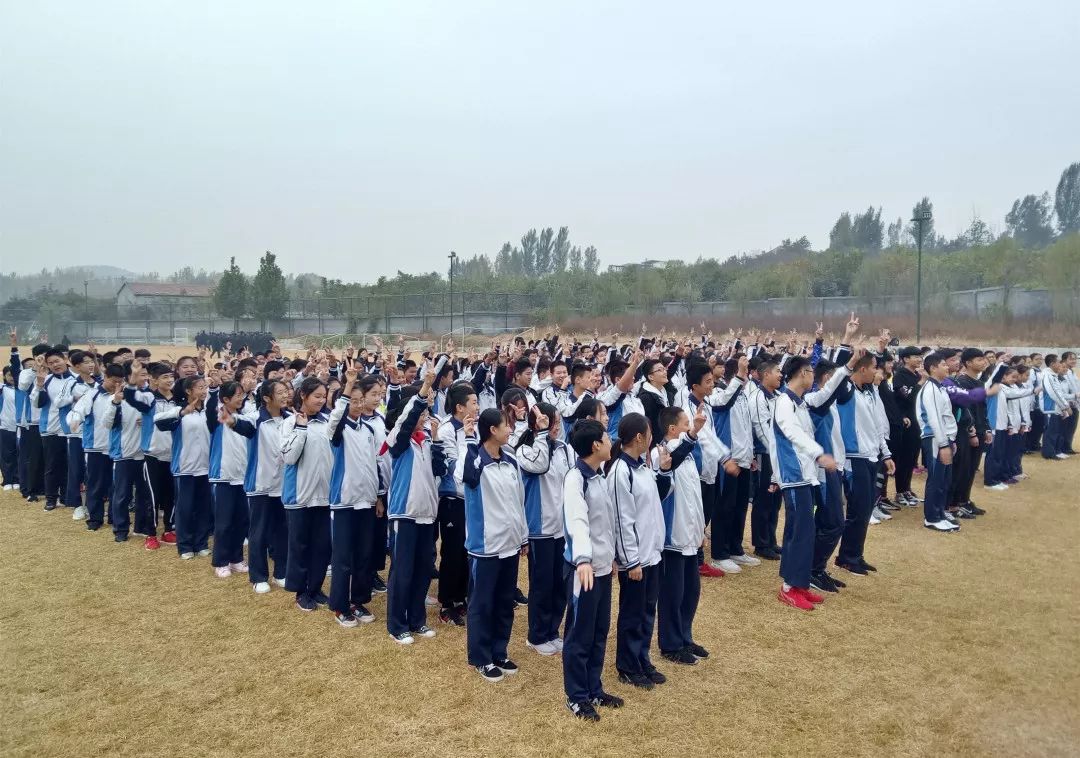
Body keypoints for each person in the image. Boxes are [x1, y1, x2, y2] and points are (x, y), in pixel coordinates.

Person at [462, 407, 529, 682]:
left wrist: (523, 537)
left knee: (504, 602)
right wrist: (467, 439)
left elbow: (519, 501)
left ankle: (499, 651)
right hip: (486, 546)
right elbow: (466, 475)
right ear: (492, 430)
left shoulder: (511, 461)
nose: (510, 430)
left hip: (511, 544)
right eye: (506, 426)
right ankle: (481, 657)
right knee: (482, 603)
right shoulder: (475, 459)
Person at [562, 419, 621, 722]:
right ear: (595, 445)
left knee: (599, 630)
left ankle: (594, 687)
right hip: (581, 569)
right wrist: (584, 559)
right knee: (579, 634)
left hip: (599, 567)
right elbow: (578, 521)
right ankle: (576, 695)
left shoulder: (598, 476)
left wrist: (608, 557)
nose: (612, 441)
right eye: (607, 438)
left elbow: (604, 523)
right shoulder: (577, 478)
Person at [606, 412, 671, 690]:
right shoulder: (620, 471)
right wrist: (630, 561)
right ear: (638, 438)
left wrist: (665, 471)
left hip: (651, 553)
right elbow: (622, 519)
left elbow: (657, 498)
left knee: (647, 610)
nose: (652, 438)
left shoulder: (642, 468)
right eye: (649, 433)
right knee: (632, 613)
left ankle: (642, 658)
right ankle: (628, 665)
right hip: (636, 559)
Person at [384, 365, 445, 645]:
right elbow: (406, 421)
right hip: (404, 514)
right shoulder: (398, 440)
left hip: (426, 515)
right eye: (422, 411)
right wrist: (423, 390)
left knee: (422, 569)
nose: (425, 415)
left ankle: (417, 619)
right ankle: (397, 624)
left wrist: (437, 440)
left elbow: (440, 471)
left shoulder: (426, 441)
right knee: (403, 570)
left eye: (426, 411)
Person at [770, 356, 834, 610]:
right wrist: (818, 453)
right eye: (811, 373)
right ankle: (789, 587)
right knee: (799, 531)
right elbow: (792, 433)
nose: (813, 378)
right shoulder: (784, 402)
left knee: (803, 531)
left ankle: (798, 583)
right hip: (793, 476)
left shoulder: (800, 403)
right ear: (803, 373)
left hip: (805, 476)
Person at [653, 404, 710, 666]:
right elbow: (674, 456)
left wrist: (700, 530)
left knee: (691, 590)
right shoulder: (662, 453)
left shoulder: (687, 454)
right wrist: (694, 432)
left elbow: (693, 498)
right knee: (672, 593)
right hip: (673, 537)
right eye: (686, 423)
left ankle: (685, 636)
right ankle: (671, 643)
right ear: (672, 429)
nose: (691, 426)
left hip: (689, 534)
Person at [516, 402, 574, 656]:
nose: (556, 427)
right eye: (552, 422)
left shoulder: (564, 448)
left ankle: (552, 630)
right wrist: (540, 435)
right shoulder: (524, 449)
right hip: (539, 527)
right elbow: (539, 466)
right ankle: (537, 635)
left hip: (561, 527)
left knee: (559, 584)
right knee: (541, 584)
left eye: (558, 422)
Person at [327, 371, 385, 626]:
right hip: (345, 502)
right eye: (354, 400)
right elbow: (336, 418)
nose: (359, 405)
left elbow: (375, 464)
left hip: (367, 502)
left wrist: (379, 498)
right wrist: (348, 386)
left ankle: (357, 601)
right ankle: (340, 606)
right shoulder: (338, 431)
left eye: (362, 400)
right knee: (343, 558)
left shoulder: (369, 429)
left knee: (363, 555)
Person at [280, 377, 334, 612]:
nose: (321, 401)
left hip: (324, 494)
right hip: (299, 495)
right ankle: (301, 591)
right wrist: (301, 428)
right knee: (300, 545)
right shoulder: (289, 422)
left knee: (322, 546)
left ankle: (316, 587)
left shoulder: (327, 422)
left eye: (324, 397)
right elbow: (288, 457)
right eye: (317, 397)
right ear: (303, 395)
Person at [433, 380, 478, 626]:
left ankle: (461, 599)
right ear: (460, 407)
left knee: (467, 550)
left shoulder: (476, 428)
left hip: (472, 499)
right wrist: (468, 440)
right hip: (453, 499)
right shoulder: (447, 429)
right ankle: (447, 602)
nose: (477, 407)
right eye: (473, 403)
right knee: (452, 552)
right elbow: (452, 466)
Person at [155, 376, 213, 559]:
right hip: (185, 468)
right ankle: (185, 545)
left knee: (204, 508)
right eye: (200, 388)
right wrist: (181, 412)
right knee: (185, 508)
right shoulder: (178, 411)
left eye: (205, 387)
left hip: (205, 468)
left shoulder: (207, 412)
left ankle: (201, 543)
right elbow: (158, 421)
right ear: (188, 391)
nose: (204, 391)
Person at [245, 379, 292, 594]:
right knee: (259, 532)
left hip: (284, 486)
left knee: (282, 531)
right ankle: (258, 576)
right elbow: (237, 423)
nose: (285, 395)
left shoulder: (291, 419)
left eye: (286, 391)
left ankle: (281, 572)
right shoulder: (255, 420)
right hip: (261, 485)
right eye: (280, 392)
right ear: (266, 398)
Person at [102, 360, 155, 545]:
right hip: (124, 453)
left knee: (144, 493)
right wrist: (115, 403)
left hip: (146, 454)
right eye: (141, 374)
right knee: (122, 494)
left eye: (146, 374)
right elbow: (107, 424)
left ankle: (142, 526)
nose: (145, 378)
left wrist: (148, 421)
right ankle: (121, 528)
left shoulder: (150, 395)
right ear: (129, 377)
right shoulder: (118, 397)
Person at [207, 381, 254, 577]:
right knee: (224, 523)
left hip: (242, 478)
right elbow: (210, 409)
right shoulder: (216, 418)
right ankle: (221, 561)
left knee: (242, 521)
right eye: (237, 395)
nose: (241, 399)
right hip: (223, 477)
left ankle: (236, 558)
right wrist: (212, 389)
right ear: (225, 399)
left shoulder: (243, 419)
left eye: (242, 395)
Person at [916, 354, 961, 532]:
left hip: (944, 439)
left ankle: (940, 513)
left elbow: (947, 416)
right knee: (936, 478)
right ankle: (932, 517)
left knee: (944, 479)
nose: (947, 367)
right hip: (935, 439)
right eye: (943, 364)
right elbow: (934, 419)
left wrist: (951, 440)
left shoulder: (940, 388)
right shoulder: (930, 389)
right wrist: (943, 444)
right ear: (933, 368)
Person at [30, 347, 74, 511]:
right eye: (51, 363)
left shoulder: (76, 379)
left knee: (70, 465)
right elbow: (36, 403)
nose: (55, 365)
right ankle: (50, 498)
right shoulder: (45, 380)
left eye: (57, 361)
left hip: (72, 431)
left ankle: (66, 496)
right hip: (51, 429)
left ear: (64, 359)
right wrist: (39, 385)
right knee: (52, 465)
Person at [748, 359, 782, 560]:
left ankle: (771, 539)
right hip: (765, 454)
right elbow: (761, 428)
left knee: (775, 498)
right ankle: (761, 544)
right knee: (764, 497)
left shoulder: (777, 396)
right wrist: (775, 450)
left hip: (777, 454)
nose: (781, 375)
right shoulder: (758, 397)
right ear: (766, 374)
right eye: (777, 371)